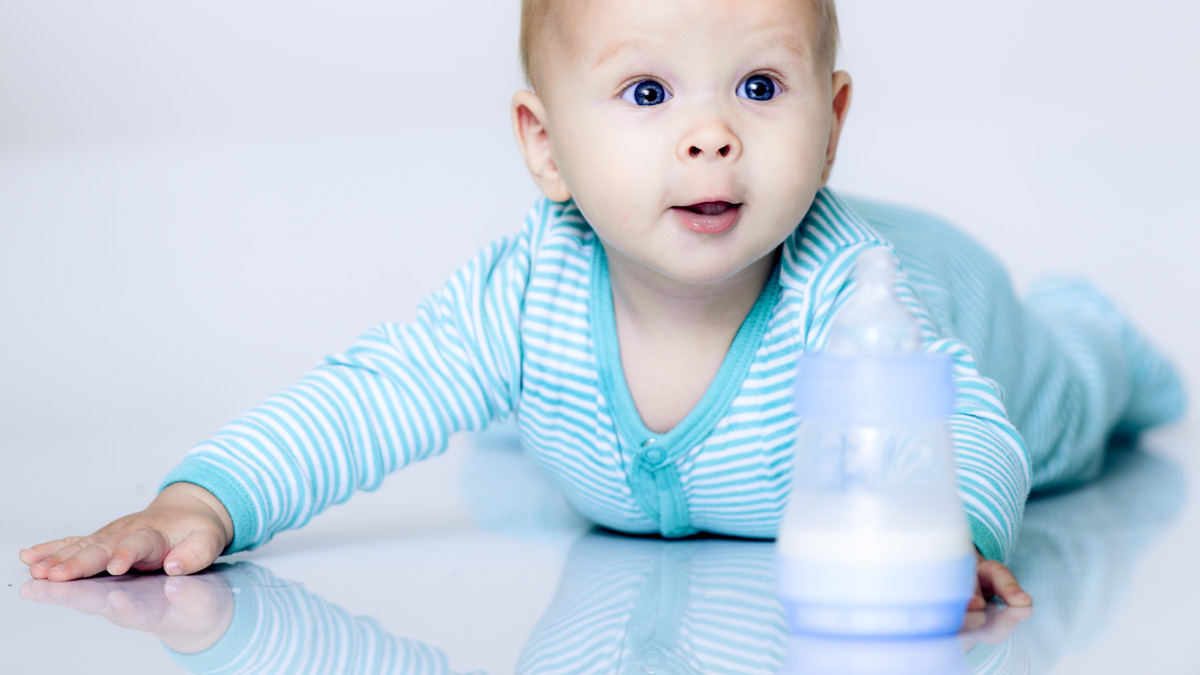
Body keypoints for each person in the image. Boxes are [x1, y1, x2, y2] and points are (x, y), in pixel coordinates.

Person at [19, 0, 1184, 614]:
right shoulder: (529, 292)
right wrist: (201, 499)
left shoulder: (845, 296)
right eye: (645, 90)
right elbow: (373, 393)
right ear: (546, 146)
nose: (711, 131)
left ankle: (1096, 335)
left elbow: (966, 428)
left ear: (832, 123)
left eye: (762, 88)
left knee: (1064, 404)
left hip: (966, 307)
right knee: (478, 397)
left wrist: (953, 531)